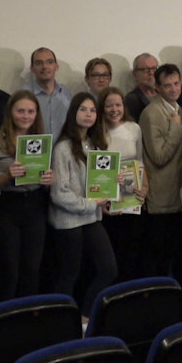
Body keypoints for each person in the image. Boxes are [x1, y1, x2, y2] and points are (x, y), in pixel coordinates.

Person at [49, 93, 117, 319]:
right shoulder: (63, 148)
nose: (88, 114)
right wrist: (90, 204)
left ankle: (86, 315)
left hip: (91, 217)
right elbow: (59, 194)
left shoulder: (95, 145)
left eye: (92, 110)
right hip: (68, 221)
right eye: (83, 109)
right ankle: (61, 321)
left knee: (108, 269)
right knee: (69, 274)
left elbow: (97, 185)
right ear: (73, 113)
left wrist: (111, 186)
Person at [0, 90, 53, 300]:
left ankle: (28, 315)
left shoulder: (41, 141)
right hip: (6, 207)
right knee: (8, 268)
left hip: (35, 205)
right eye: (20, 111)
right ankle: (6, 315)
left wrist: (49, 180)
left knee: (32, 267)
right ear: (10, 112)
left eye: (30, 111)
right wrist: (7, 176)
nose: (25, 116)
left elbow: (46, 179)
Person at [139, 63, 182, 284]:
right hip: (160, 196)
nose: (173, 89)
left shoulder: (177, 109)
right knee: (158, 255)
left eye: (176, 83)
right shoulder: (151, 113)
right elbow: (158, 156)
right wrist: (177, 129)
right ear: (157, 88)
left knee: (175, 252)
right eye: (167, 85)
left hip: (178, 191)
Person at [98, 87, 148, 280]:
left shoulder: (134, 128)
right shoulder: (96, 132)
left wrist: (145, 188)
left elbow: (140, 161)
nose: (114, 110)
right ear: (102, 107)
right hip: (108, 200)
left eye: (118, 105)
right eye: (109, 105)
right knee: (112, 252)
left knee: (132, 250)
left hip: (132, 198)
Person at [23, 47, 72, 140]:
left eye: (49, 62)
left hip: (63, 147)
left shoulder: (67, 93)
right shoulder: (23, 94)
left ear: (56, 66)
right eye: (39, 63)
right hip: (35, 147)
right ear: (32, 68)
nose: (44, 67)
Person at [125, 52, 158, 121]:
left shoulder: (165, 94)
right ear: (135, 74)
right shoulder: (131, 100)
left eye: (154, 68)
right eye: (145, 69)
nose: (151, 73)